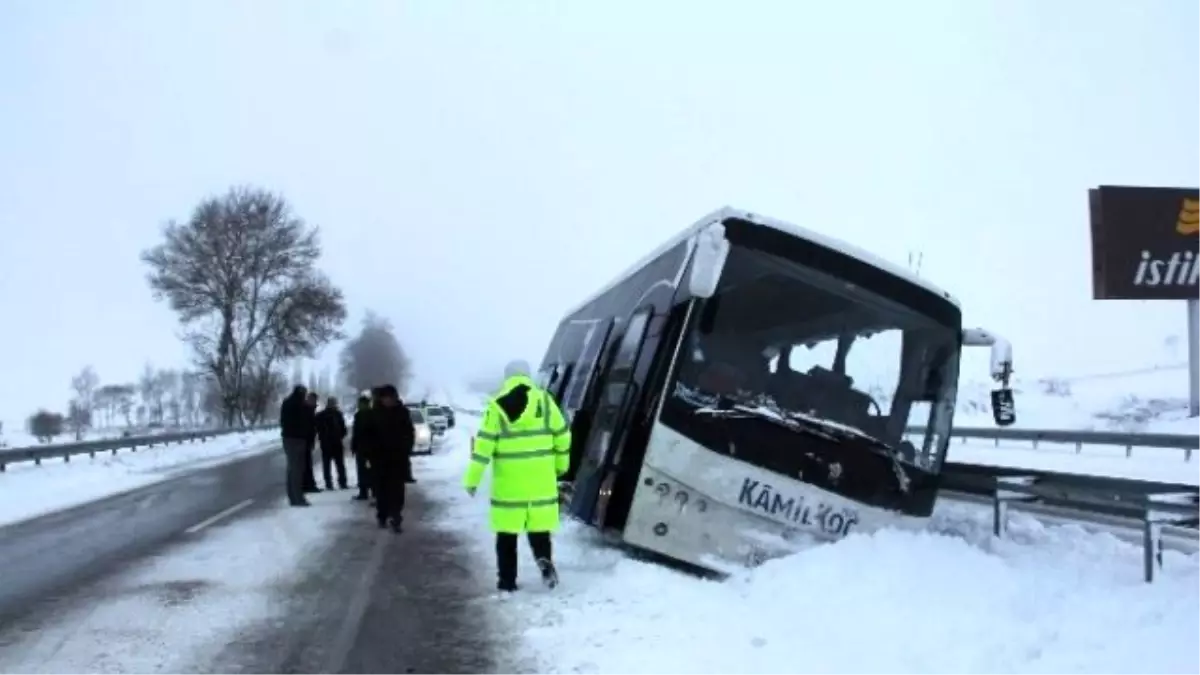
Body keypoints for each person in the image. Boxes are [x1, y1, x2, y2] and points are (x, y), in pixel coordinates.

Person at [463, 359, 572, 592]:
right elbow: (563, 436)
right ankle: (544, 563)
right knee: (539, 530)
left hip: (509, 486)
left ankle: (507, 581)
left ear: (507, 377)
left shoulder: (496, 406)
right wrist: (560, 466)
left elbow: (483, 447)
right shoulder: (545, 401)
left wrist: (472, 480)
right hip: (540, 482)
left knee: (506, 537)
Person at [372, 385, 415, 532]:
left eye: (391, 398)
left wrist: (406, 448)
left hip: (398, 458)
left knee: (397, 490)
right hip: (379, 459)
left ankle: (396, 516)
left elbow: (409, 432)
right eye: (386, 398)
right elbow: (366, 435)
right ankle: (382, 515)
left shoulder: (402, 413)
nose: (389, 401)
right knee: (381, 490)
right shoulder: (375, 413)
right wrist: (370, 452)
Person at [279, 385, 312, 507]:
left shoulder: (287, 403)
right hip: (297, 439)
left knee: (292, 469)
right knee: (297, 469)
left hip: (288, 438)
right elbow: (305, 421)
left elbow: (283, 421)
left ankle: (293, 496)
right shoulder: (300, 405)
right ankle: (298, 497)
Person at [316, 396, 349, 490]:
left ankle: (328, 483)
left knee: (327, 464)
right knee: (340, 464)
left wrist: (322, 437)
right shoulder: (338, 414)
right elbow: (343, 429)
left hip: (326, 443)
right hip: (336, 442)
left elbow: (317, 428)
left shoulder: (320, 415)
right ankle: (342, 482)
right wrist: (340, 436)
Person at [350, 394, 375, 501]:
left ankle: (371, 491)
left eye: (361, 404)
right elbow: (355, 432)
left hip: (369, 447)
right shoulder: (358, 415)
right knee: (362, 470)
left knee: (370, 470)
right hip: (362, 447)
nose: (359, 406)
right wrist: (354, 446)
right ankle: (364, 491)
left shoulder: (371, 415)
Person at [302, 392, 321, 493]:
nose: (314, 402)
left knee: (307, 463)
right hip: (304, 440)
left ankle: (309, 484)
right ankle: (307, 485)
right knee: (305, 464)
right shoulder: (306, 410)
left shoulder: (310, 409)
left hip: (308, 440)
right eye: (312, 400)